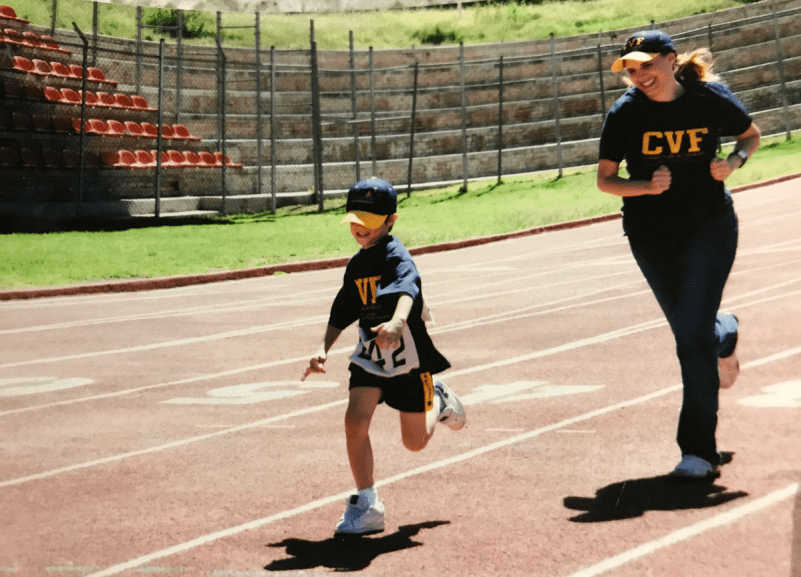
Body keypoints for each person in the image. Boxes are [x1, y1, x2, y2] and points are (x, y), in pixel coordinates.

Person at [596, 30, 761, 479]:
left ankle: (698, 451)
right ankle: (722, 329)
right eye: (631, 70)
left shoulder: (710, 99)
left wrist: (733, 163)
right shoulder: (624, 114)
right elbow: (606, 180)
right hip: (651, 235)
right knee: (694, 330)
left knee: (689, 340)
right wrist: (646, 186)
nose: (639, 76)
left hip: (710, 227)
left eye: (646, 65)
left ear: (670, 60)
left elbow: (750, 136)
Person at [302, 177, 466, 536]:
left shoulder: (396, 255)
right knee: (355, 419)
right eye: (355, 219)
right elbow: (342, 309)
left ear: (391, 220)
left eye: (370, 220)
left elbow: (409, 289)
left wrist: (396, 321)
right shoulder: (356, 265)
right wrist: (322, 348)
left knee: (414, 443)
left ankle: (437, 399)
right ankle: (368, 503)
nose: (360, 227)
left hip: (409, 357)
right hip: (372, 354)